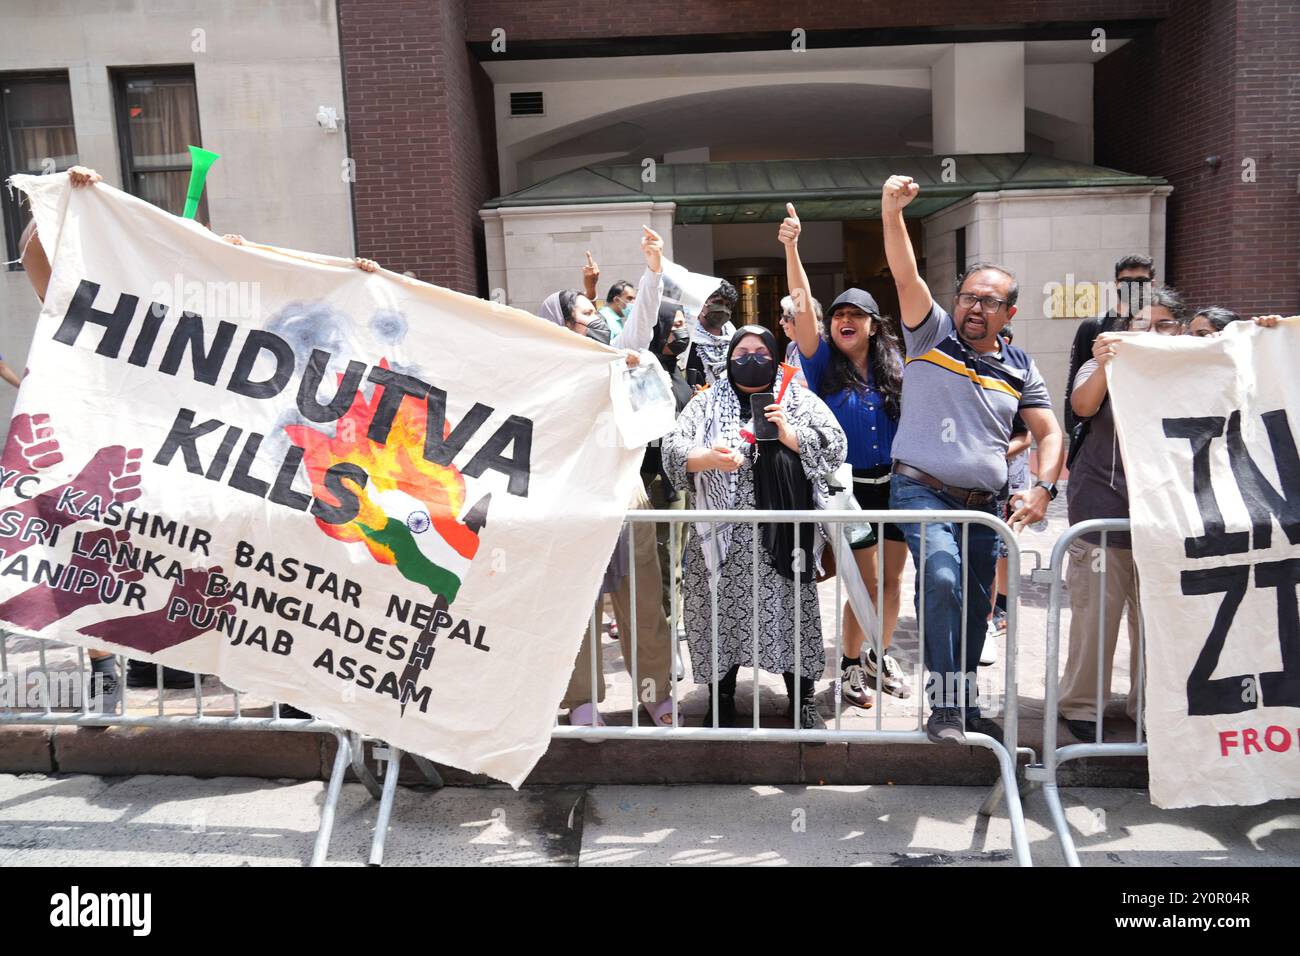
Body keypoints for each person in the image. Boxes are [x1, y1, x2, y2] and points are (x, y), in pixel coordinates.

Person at [881, 173, 1064, 746]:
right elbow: (905, 273)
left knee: (977, 604)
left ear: (1011, 311)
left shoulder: (1021, 367)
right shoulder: (931, 335)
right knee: (940, 578)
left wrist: (1042, 490)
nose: (975, 307)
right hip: (920, 489)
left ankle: (962, 705)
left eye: (989, 301)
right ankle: (943, 706)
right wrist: (892, 212)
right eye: (968, 296)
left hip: (986, 507)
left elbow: (1049, 432)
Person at [663, 325, 847, 730]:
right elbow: (673, 448)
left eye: (760, 353)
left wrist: (791, 434)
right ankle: (721, 698)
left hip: (783, 535)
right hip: (720, 540)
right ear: (728, 358)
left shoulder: (796, 397)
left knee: (793, 616)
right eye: (741, 352)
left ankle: (801, 701)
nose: (750, 359)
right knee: (716, 617)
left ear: (775, 356)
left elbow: (835, 445)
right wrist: (708, 458)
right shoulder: (706, 402)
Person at [544, 226, 677, 727]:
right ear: (563, 325)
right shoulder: (546, 372)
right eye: (584, 313)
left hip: (624, 494)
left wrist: (654, 267)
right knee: (575, 606)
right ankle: (581, 702)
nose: (595, 317)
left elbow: (641, 321)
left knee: (643, 598)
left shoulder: (617, 359)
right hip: (569, 501)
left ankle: (655, 694)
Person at [779, 203, 910, 707]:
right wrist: (792, 247)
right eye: (839, 315)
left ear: (874, 326)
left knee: (893, 580)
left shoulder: (895, 367)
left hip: (895, 485)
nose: (844, 320)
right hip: (848, 491)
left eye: (856, 314)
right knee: (863, 580)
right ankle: (851, 666)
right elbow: (801, 302)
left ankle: (878, 656)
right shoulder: (818, 362)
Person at [1060, 288, 1186, 741]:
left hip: (1168, 514)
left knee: (1158, 617)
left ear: (1183, 329)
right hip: (1104, 506)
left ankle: (1149, 706)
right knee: (1097, 614)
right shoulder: (1102, 363)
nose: (1152, 332)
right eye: (1141, 324)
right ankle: (1081, 704)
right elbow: (1082, 407)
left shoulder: (1191, 370)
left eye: (1165, 324)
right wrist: (1109, 362)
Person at [983, 325, 1032, 668]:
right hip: (978, 481)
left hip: (1008, 481)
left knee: (1001, 547)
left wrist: (997, 454)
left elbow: (1026, 436)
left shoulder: (1015, 378)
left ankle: (999, 608)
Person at [1064, 254, 1155, 434]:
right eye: (1127, 281)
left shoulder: (1161, 325)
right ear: (1116, 284)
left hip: (1148, 423)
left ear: (1152, 284)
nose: (1134, 287)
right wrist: (1075, 431)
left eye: (1141, 281)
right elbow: (1076, 378)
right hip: (1102, 428)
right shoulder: (1094, 325)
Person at [684, 279, 739, 387]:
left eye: (727, 305)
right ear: (702, 303)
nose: (723, 309)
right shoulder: (687, 340)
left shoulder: (735, 340)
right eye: (717, 302)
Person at [777, 294, 819, 389]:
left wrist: (786, 381)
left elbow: (821, 386)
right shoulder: (791, 347)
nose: (781, 322)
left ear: (800, 320)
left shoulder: (822, 348)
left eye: (785, 317)